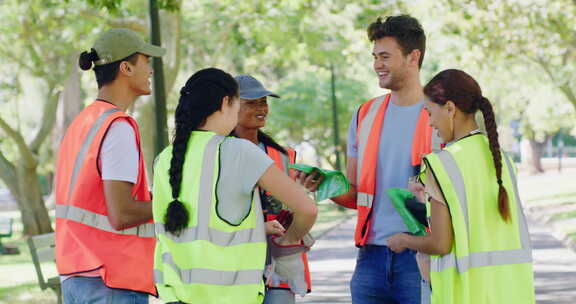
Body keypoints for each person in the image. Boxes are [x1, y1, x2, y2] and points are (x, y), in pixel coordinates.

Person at [296, 15, 440, 303]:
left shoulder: (441, 114)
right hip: (370, 259)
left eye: (385, 56)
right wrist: (323, 184)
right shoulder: (365, 115)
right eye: (374, 57)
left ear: (414, 57)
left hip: (423, 256)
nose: (377, 65)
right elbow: (356, 193)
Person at [152, 68, 318, 304]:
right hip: (231, 295)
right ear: (226, 102)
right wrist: (287, 240)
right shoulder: (239, 151)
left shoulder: (164, 159)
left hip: (177, 294)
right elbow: (307, 210)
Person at [386, 69, 535, 304]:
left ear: (450, 108)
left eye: (429, 112)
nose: (430, 122)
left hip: (463, 293)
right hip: (510, 292)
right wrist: (428, 200)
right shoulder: (504, 161)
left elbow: (440, 243)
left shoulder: (441, 164)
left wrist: (403, 240)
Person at [54, 28, 165, 303]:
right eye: (145, 61)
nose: (150, 69)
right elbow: (122, 213)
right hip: (110, 280)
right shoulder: (118, 127)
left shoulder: (85, 122)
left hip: (79, 274)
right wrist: (173, 203)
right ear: (126, 67)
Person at [233, 75, 312, 304]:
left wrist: (305, 190)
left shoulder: (284, 155)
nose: (262, 109)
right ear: (230, 106)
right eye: (252, 103)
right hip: (237, 268)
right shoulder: (220, 153)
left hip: (279, 268)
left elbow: (298, 206)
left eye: (264, 102)